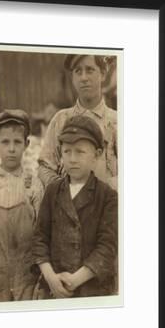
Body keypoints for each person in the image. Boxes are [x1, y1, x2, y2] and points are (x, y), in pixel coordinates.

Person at [32, 116, 118, 298]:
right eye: (67, 151)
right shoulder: (53, 191)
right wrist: (51, 278)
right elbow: (40, 238)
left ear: (97, 154)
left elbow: (107, 248)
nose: (72, 159)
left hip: (91, 289)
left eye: (80, 152)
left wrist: (75, 280)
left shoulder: (107, 196)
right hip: (53, 288)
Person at [0, 110, 44, 303]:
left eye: (17, 142)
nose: (11, 149)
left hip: (26, 277)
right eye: (5, 142)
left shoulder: (34, 185)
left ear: (27, 145)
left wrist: (40, 282)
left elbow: (42, 236)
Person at [38, 54, 118, 190]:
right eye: (78, 71)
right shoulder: (61, 120)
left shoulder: (117, 122)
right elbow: (45, 166)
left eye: (90, 70)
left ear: (103, 75)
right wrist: (63, 190)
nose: (84, 78)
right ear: (73, 78)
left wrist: (103, 190)